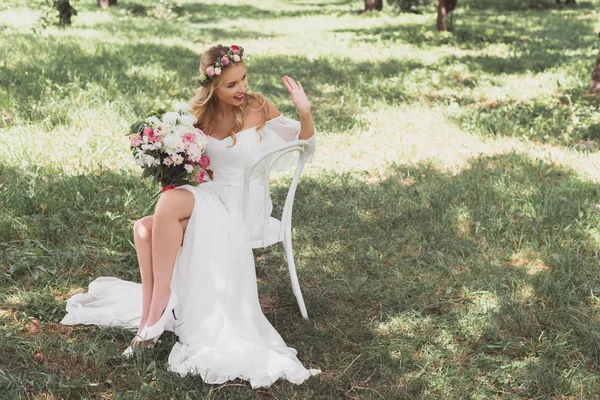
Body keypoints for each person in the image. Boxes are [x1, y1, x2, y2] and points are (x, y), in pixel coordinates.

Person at [61, 44, 319, 388]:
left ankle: (157, 311)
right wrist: (161, 156)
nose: (241, 89)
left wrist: (304, 111)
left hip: (244, 207)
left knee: (165, 209)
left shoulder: (258, 106)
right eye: (231, 85)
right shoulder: (198, 116)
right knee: (143, 228)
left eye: (243, 80)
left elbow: (304, 147)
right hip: (211, 196)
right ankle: (153, 314)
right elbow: (190, 169)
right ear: (212, 86)